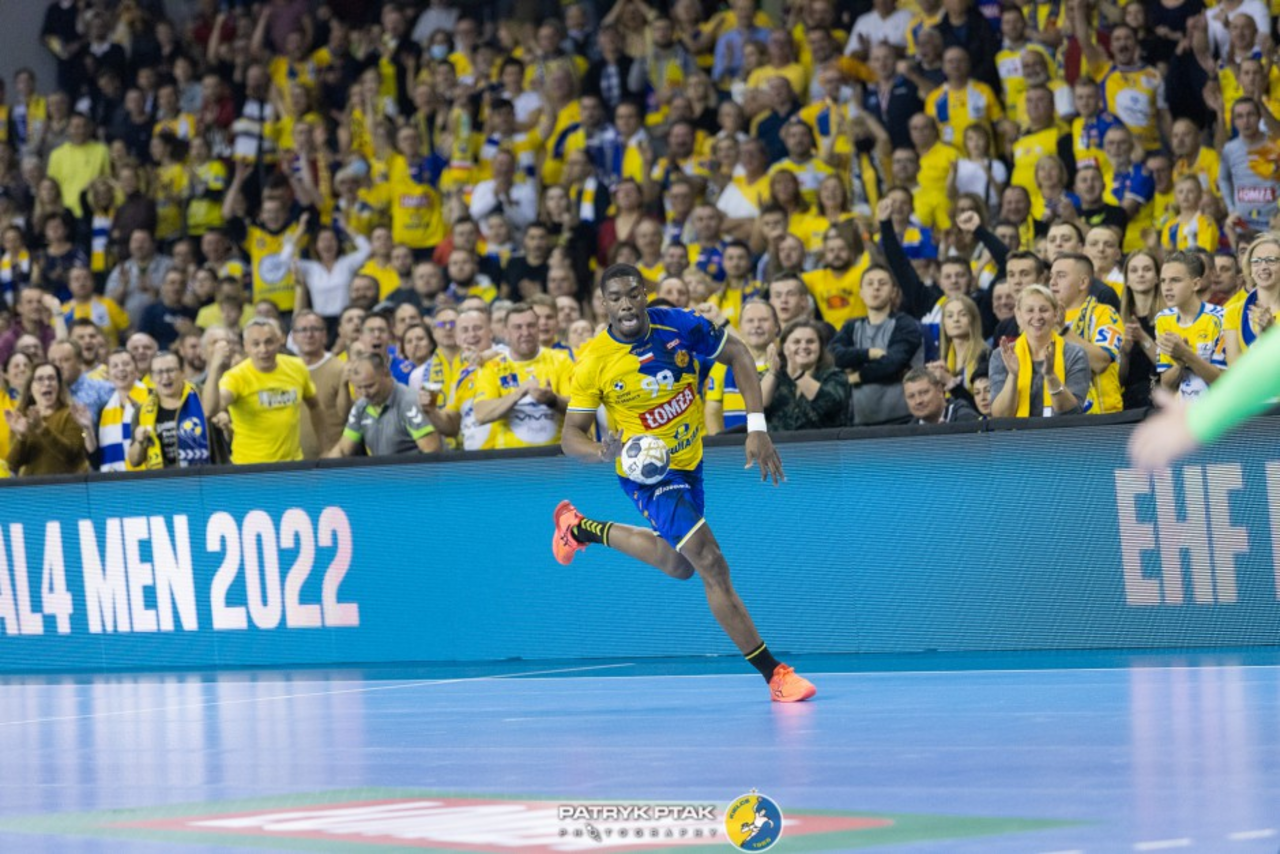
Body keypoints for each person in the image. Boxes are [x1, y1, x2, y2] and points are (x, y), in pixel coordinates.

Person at [553, 263, 815, 703]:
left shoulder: (679, 325)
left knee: (679, 565)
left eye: (633, 294)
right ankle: (775, 675)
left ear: (644, 295)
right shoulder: (595, 361)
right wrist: (600, 451)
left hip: (689, 461)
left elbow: (739, 354)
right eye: (615, 297)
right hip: (648, 474)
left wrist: (757, 427)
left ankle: (579, 529)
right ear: (604, 304)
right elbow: (569, 437)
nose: (625, 304)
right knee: (710, 561)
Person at [204, 317, 322, 465]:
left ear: (279, 341)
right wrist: (215, 367)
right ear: (246, 346)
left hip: (292, 466)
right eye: (256, 344)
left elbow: (315, 406)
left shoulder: (296, 367)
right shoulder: (236, 377)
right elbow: (209, 410)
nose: (263, 350)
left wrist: (326, 447)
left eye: (269, 342)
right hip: (250, 468)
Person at [474, 303, 573, 449]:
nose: (525, 332)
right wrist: (518, 393)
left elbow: (581, 411)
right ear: (506, 332)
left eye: (531, 326)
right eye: (518, 327)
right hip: (511, 456)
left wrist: (553, 400)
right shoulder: (492, 367)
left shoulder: (561, 360)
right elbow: (481, 414)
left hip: (555, 454)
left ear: (538, 328)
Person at [989, 285, 1091, 417]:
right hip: (1017, 431)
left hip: (1061, 430)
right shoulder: (1002, 355)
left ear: (1055, 314)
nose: (1037, 316)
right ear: (1018, 316)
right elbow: (1000, 416)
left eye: (1044, 310)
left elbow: (1073, 411)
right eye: (1030, 310)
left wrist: (1051, 376)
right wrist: (1013, 376)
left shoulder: (1074, 354)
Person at [326, 353, 441, 457]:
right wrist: (321, 469)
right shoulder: (361, 406)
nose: (365, 393)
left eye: (370, 386)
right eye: (359, 388)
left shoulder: (409, 402)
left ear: (386, 374)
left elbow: (431, 451)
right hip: (382, 472)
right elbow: (343, 450)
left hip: (413, 472)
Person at [1154, 251, 1227, 401]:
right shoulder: (1163, 319)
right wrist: (1179, 365)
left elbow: (1224, 381)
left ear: (1195, 284)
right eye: (1163, 281)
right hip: (1184, 410)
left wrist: (1186, 354)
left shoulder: (1220, 318)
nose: (1167, 287)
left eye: (1175, 280)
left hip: (1219, 408)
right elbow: (1166, 385)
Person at [126, 351, 211, 469]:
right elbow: (134, 461)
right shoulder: (142, 411)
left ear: (182, 372)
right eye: (159, 372)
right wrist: (139, 442)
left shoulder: (202, 396)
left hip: (205, 476)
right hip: (163, 479)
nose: (165, 377)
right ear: (151, 378)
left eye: (170, 370)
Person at [5, 362, 93, 476]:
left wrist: (42, 429)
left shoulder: (71, 414)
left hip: (67, 485)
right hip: (33, 486)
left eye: (51, 378)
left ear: (59, 386)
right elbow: (12, 464)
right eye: (40, 379)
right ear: (30, 389)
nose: (47, 383)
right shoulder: (22, 420)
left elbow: (72, 455)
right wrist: (21, 437)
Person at [762, 318, 849, 431]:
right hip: (778, 442)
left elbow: (830, 405)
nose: (803, 346)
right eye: (796, 342)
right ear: (784, 347)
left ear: (821, 347)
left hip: (822, 441)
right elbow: (757, 407)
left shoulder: (835, 376)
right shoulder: (775, 377)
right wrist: (773, 372)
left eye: (810, 342)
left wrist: (798, 375)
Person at [902, 368, 980, 424]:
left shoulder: (965, 417)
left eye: (924, 393)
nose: (918, 401)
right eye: (911, 396)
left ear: (939, 391)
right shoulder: (908, 432)